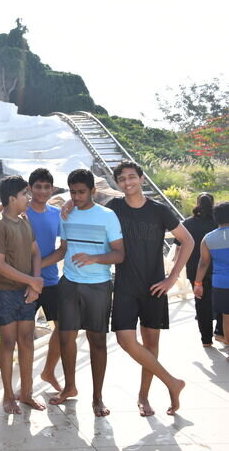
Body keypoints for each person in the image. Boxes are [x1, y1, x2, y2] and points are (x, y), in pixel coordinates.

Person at [105, 160, 192, 416]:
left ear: (142, 179)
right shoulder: (114, 208)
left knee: (151, 343)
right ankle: (172, 382)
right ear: (117, 183)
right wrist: (68, 205)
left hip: (155, 286)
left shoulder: (159, 211)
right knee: (125, 340)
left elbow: (187, 240)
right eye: (122, 179)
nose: (128, 182)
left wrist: (172, 277)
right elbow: (90, 213)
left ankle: (144, 396)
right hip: (125, 285)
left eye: (132, 177)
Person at [44, 169, 124, 417]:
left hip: (98, 285)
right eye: (72, 192)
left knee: (97, 341)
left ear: (93, 191)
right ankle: (69, 387)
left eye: (81, 192)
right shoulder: (66, 214)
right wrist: (36, 267)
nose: (77, 197)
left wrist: (94, 258)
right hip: (69, 283)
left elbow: (119, 254)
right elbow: (63, 249)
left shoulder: (108, 216)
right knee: (66, 338)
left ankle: (97, 397)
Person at [0, 175, 46, 414]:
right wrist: (32, 281)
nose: (29, 198)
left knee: (27, 340)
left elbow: (36, 253)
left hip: (26, 291)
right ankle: (8, 395)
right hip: (4, 292)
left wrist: (34, 285)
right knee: (8, 342)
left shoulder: (24, 222)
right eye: (24, 194)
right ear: (12, 198)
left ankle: (27, 392)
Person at [25, 168, 63, 392]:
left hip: (50, 281)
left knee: (64, 328)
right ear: (30, 188)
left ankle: (48, 371)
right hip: (24, 282)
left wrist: (38, 268)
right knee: (25, 335)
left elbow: (63, 249)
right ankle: (26, 385)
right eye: (37, 187)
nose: (42, 191)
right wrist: (31, 274)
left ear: (52, 189)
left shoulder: (57, 214)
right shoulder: (22, 212)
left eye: (46, 187)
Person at [177, 193, 224, 346]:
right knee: (223, 301)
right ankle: (221, 332)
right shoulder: (219, 223)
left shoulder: (187, 223)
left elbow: (178, 246)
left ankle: (206, 339)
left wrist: (177, 265)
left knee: (201, 303)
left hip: (194, 269)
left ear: (197, 203)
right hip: (218, 268)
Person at [194, 201, 229, 358]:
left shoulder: (208, 238)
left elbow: (203, 263)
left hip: (220, 284)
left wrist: (198, 283)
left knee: (227, 316)